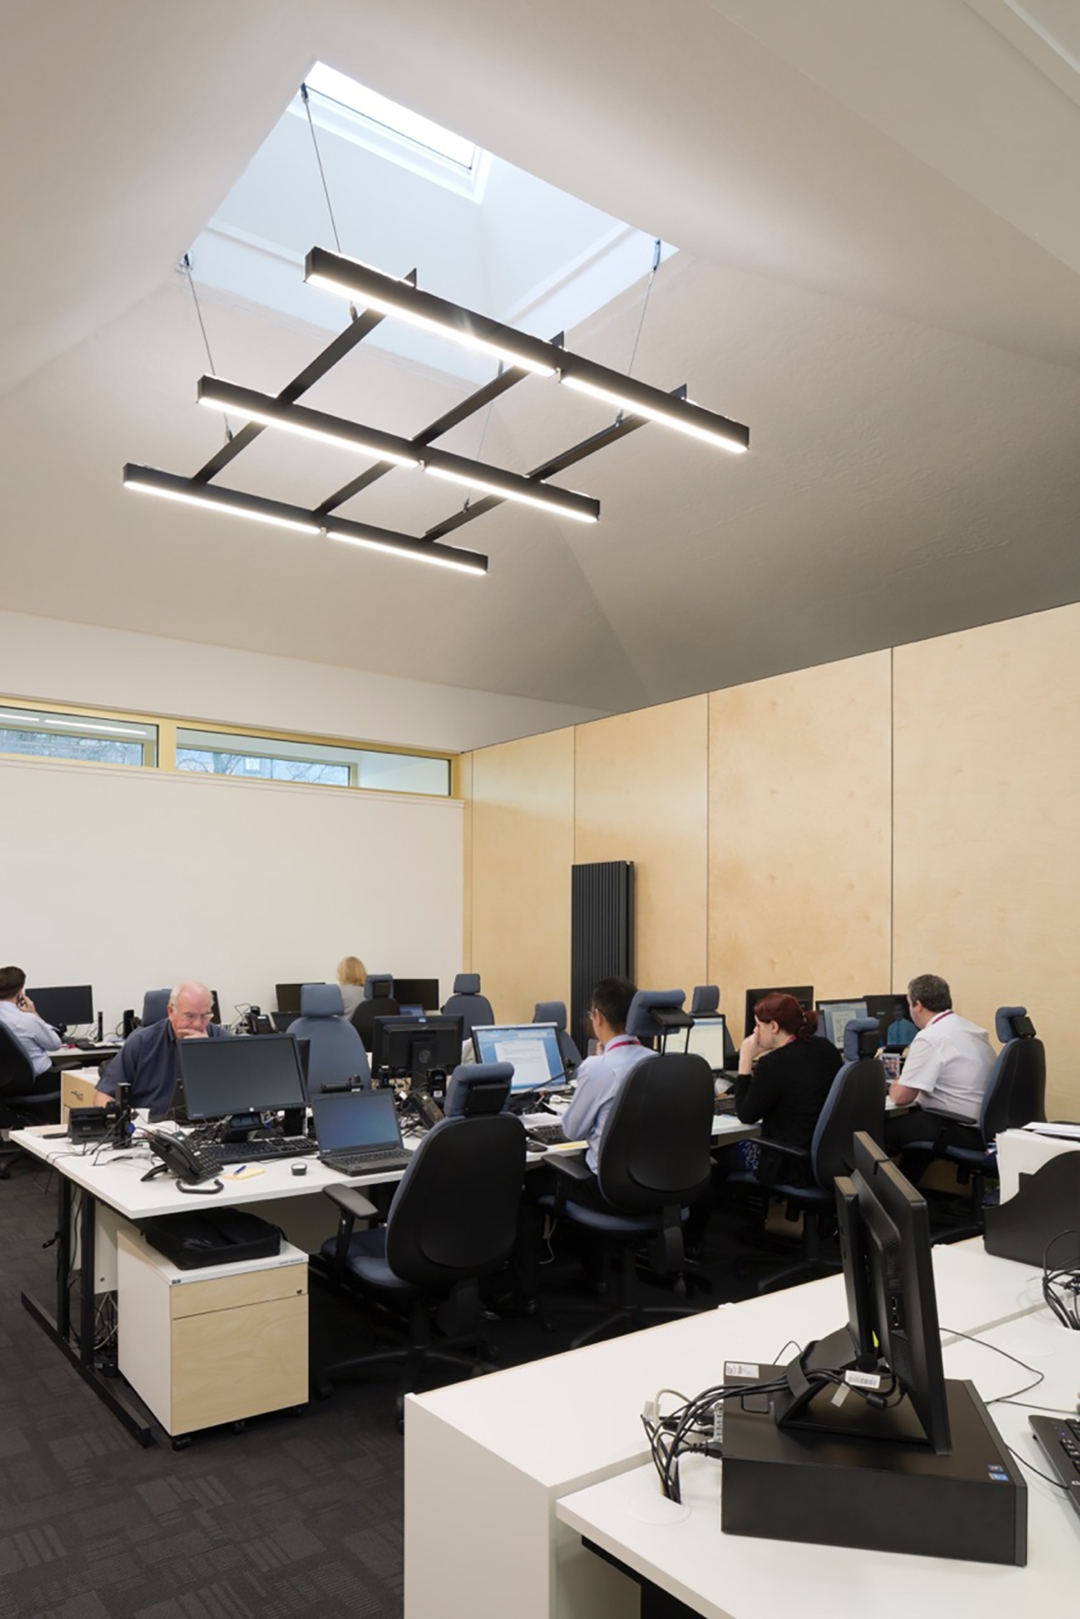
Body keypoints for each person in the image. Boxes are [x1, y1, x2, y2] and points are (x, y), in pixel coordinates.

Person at [505, 976, 656, 1309]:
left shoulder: (599, 1068)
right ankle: (596, 1277)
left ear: (597, 1016)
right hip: (654, 1185)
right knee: (581, 1168)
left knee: (527, 1188)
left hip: (608, 1192)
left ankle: (524, 1297)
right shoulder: (657, 1061)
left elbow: (572, 1131)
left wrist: (594, 1069)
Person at [884, 974, 994, 1171]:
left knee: (879, 1133)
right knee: (916, 1133)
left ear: (918, 1005)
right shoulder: (971, 1029)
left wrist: (894, 1084)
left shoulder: (930, 1037)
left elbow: (901, 1097)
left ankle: (865, 1189)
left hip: (960, 1128)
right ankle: (906, 1189)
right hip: (984, 1128)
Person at [733, 992, 843, 1175]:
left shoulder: (773, 1064)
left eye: (758, 1025)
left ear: (774, 1026)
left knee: (721, 1155)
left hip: (789, 1165)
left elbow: (746, 1114)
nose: (755, 1032)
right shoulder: (826, 1048)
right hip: (826, 1161)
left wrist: (745, 1060)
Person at [94, 981, 229, 1114]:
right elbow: (103, 1096)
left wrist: (205, 1053)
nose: (198, 1024)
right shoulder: (141, 1042)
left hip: (209, 1124)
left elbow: (236, 1094)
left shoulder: (222, 1041)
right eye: (189, 1016)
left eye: (205, 1016)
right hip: (150, 1124)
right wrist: (128, 1120)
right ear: (171, 1012)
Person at [0, 965, 62, 1090]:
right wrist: (34, 1013)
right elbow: (55, 1045)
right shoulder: (26, 1019)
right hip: (36, 1083)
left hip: (4, 1087)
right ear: (20, 994)